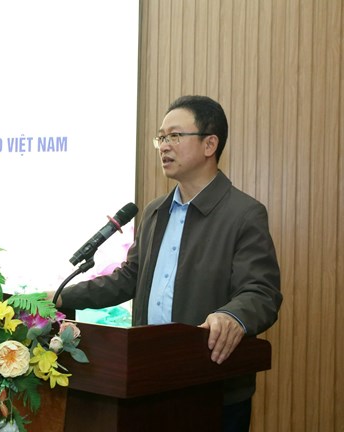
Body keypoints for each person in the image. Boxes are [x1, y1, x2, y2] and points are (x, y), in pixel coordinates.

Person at [53, 95, 282, 432]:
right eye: (161, 137)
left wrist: (232, 316)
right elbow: (129, 278)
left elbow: (261, 291)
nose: (163, 146)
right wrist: (61, 297)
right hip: (148, 382)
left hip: (211, 387)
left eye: (175, 136)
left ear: (209, 144)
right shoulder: (156, 211)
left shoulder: (244, 213)